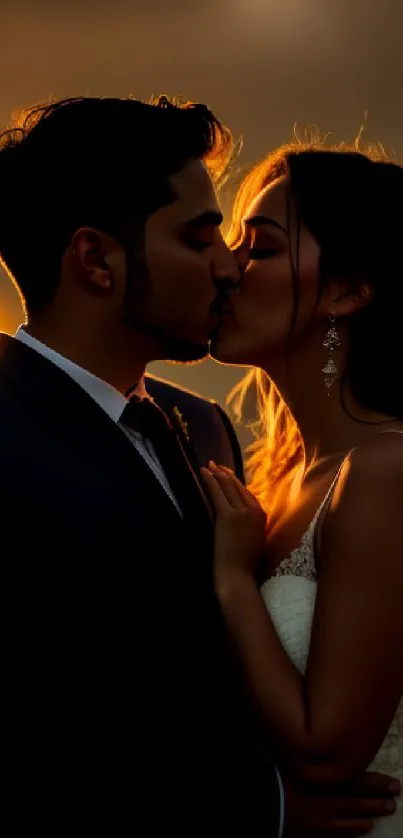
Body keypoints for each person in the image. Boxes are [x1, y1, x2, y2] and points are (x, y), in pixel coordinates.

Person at [0, 98, 398, 835]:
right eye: (202, 237)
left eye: (256, 246)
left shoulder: (207, 430)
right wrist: (263, 812)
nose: (228, 268)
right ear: (94, 260)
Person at [208, 139, 403, 835]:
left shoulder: (384, 471)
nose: (226, 267)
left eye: (258, 248)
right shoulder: (269, 475)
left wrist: (232, 579)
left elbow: (326, 754)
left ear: (347, 292)